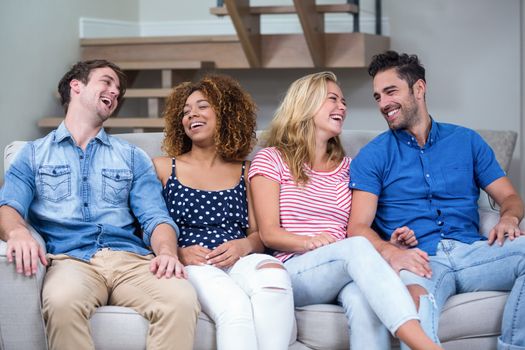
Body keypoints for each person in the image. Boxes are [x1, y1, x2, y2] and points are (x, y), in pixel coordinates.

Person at [0, 60, 200, 350]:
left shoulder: (131, 157)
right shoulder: (33, 155)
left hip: (131, 261)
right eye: (106, 82)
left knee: (181, 299)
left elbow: (156, 217)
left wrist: (167, 252)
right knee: (61, 301)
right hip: (71, 261)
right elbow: (8, 206)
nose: (115, 92)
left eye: (118, 89)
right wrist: (18, 233)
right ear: (76, 86)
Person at [249, 71, 442, 350]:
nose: (342, 107)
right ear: (306, 104)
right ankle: (425, 345)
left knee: (364, 301)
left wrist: (389, 244)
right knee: (354, 248)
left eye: (343, 101)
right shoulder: (272, 159)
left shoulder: (349, 167)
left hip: (346, 266)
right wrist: (309, 242)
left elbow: (359, 225)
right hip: (296, 268)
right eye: (332, 99)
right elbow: (268, 233)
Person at [347, 50, 525, 349]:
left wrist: (508, 218)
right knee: (415, 310)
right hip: (420, 260)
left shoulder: (466, 141)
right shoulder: (373, 156)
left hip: (474, 252)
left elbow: (510, 196)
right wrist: (391, 252)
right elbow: (358, 227)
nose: (383, 104)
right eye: (377, 96)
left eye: (391, 92)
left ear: (419, 88)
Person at [153, 74, 295, 350]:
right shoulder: (162, 167)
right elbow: (147, 225)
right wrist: (177, 253)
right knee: (235, 307)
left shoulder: (247, 169)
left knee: (275, 280)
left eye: (202, 106)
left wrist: (244, 245)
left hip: (239, 258)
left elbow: (258, 233)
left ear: (227, 112)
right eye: (185, 111)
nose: (192, 114)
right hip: (194, 263)